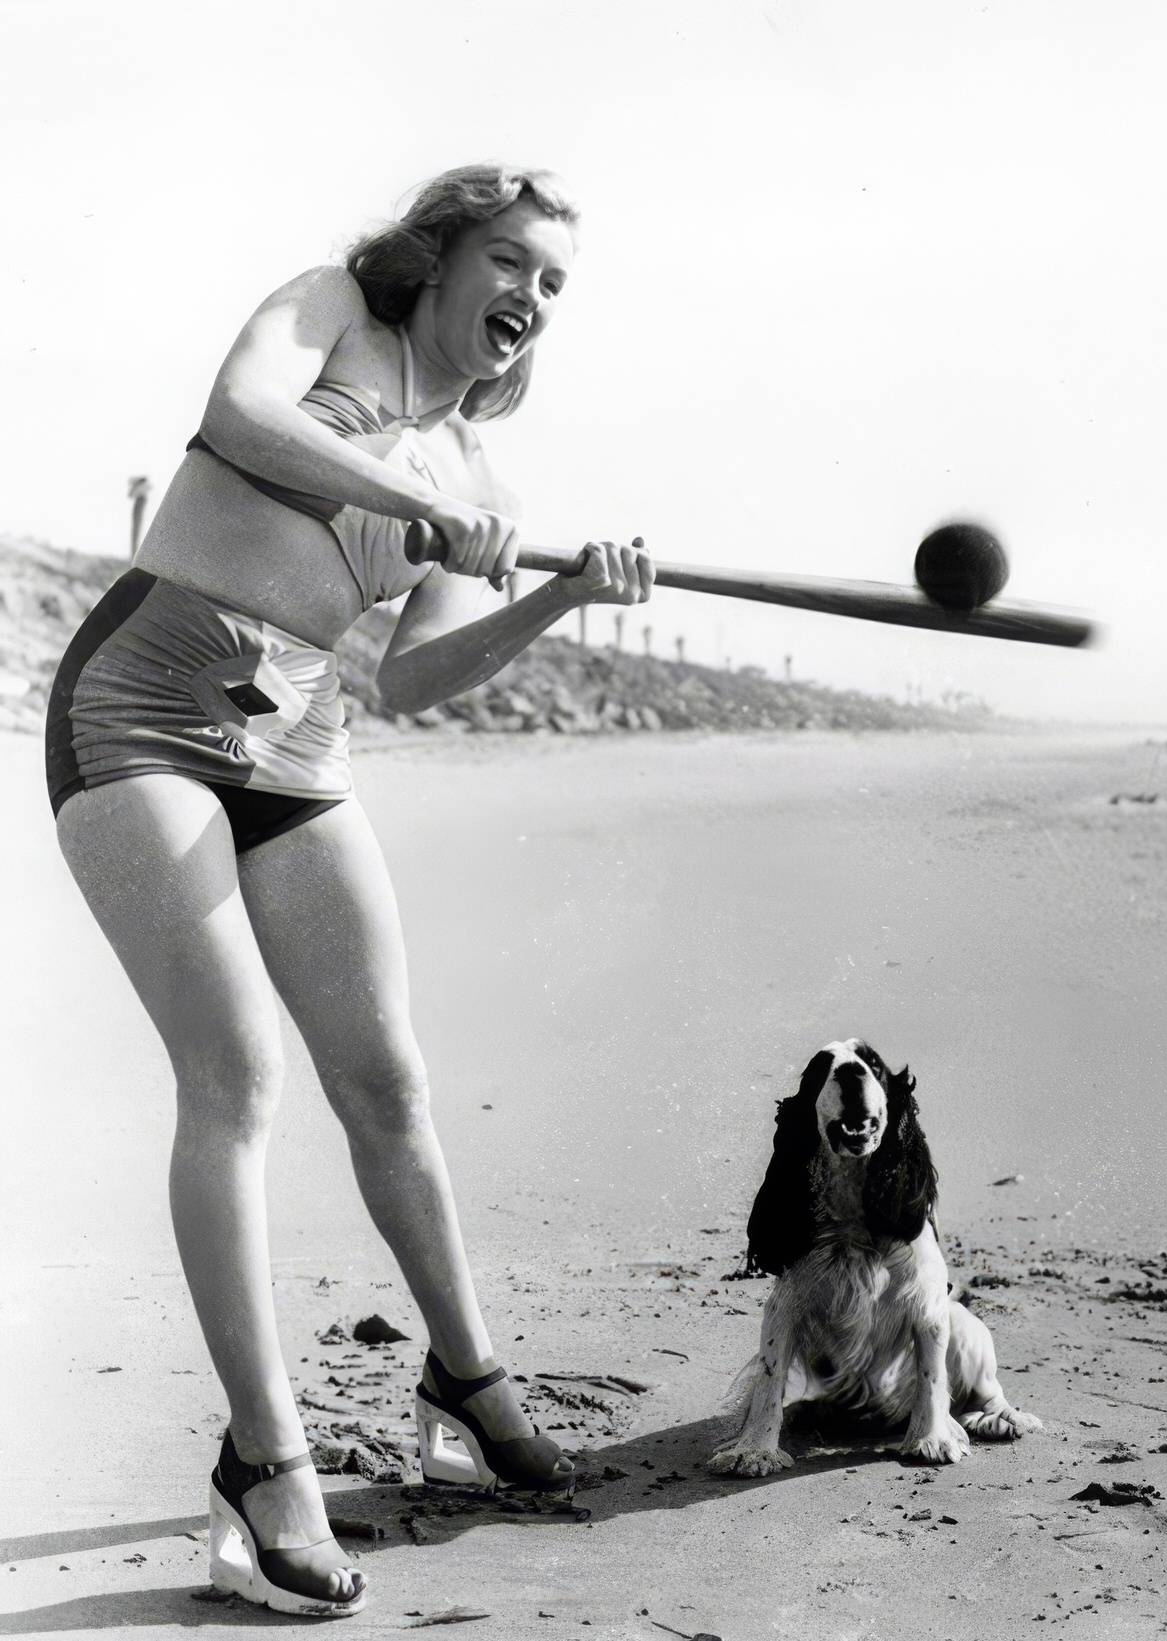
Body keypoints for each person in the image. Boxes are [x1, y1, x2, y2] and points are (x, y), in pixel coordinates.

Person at [45, 165, 653, 1617]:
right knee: (236, 1074)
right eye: (511, 260)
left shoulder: (481, 485)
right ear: (440, 258)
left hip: (301, 737)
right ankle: (267, 1464)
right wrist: (404, 490)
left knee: (388, 1080)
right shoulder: (331, 314)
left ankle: (467, 1379)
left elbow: (419, 677)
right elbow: (243, 418)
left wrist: (554, 592)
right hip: (143, 704)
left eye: (556, 284)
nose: (531, 297)